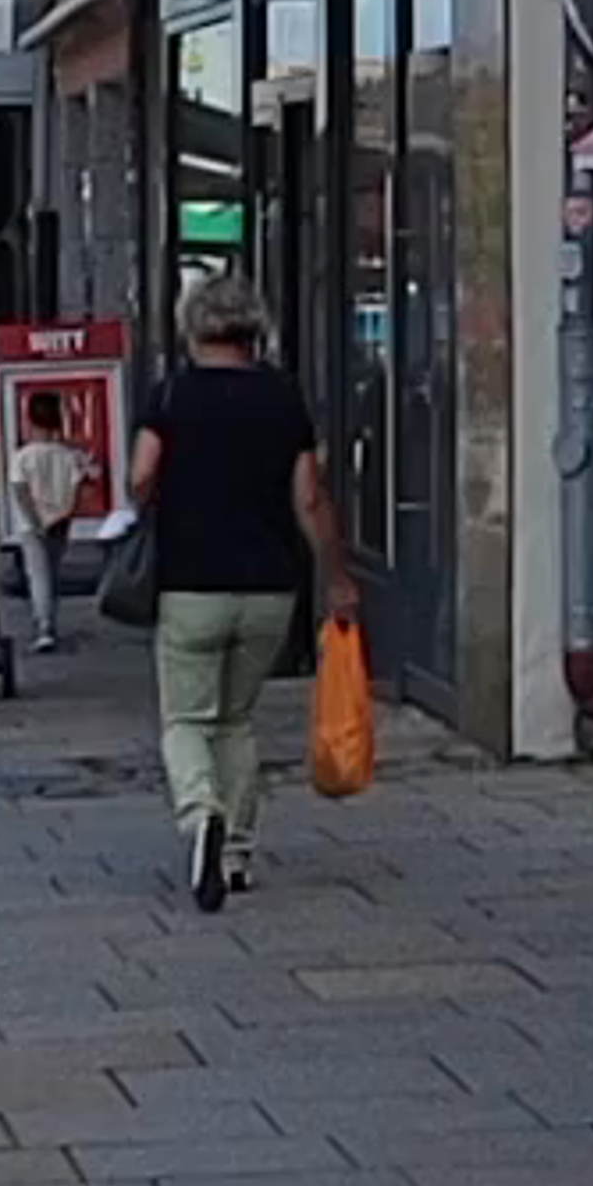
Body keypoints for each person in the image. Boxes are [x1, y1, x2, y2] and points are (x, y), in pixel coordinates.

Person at [123, 268, 357, 907]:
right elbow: (309, 498)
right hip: (268, 588)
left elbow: (141, 478)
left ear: (192, 327)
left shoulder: (171, 396)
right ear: (252, 327)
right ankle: (238, 855)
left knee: (187, 719)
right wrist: (334, 576)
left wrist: (161, 492)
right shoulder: (283, 397)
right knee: (237, 721)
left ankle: (201, 816)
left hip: (191, 584)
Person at [4, 382, 92, 653]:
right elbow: (77, 489)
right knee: (52, 572)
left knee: (37, 574)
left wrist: (34, 520)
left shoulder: (22, 456)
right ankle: (51, 620)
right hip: (60, 521)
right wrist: (66, 513)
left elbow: (20, 490)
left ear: (29, 420)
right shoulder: (68, 456)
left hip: (31, 525)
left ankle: (44, 627)